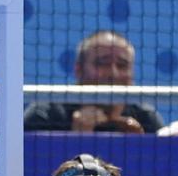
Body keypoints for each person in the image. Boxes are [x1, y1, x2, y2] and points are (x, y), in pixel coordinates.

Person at [24, 31, 163, 134]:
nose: (113, 73)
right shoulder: (44, 116)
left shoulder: (146, 119)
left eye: (122, 65)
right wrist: (76, 139)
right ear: (79, 70)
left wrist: (139, 147)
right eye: (102, 63)